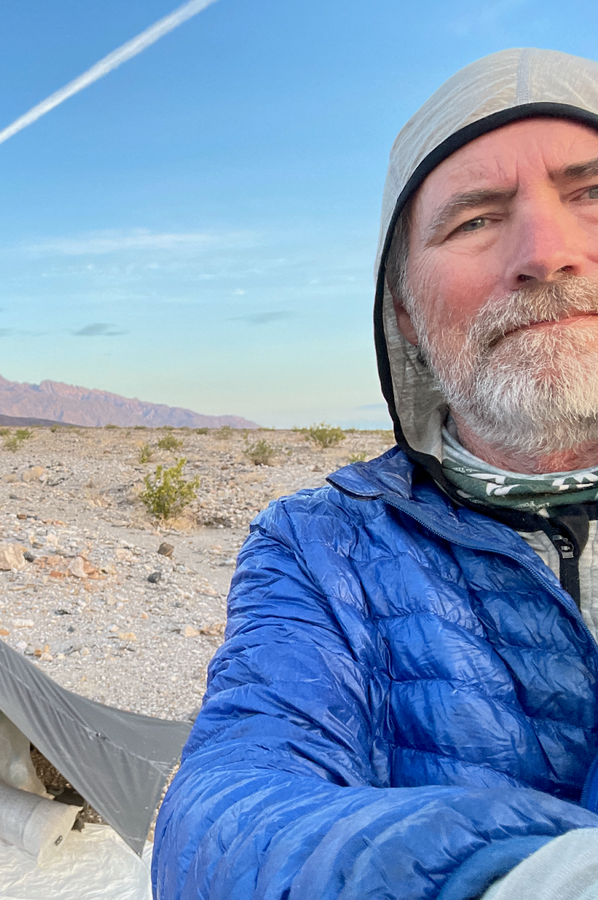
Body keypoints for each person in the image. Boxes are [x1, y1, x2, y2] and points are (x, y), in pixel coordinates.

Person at [152, 49, 598, 900]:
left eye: (593, 193)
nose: (546, 252)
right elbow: (224, 810)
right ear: (403, 308)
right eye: (474, 220)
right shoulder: (321, 545)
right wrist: (514, 875)